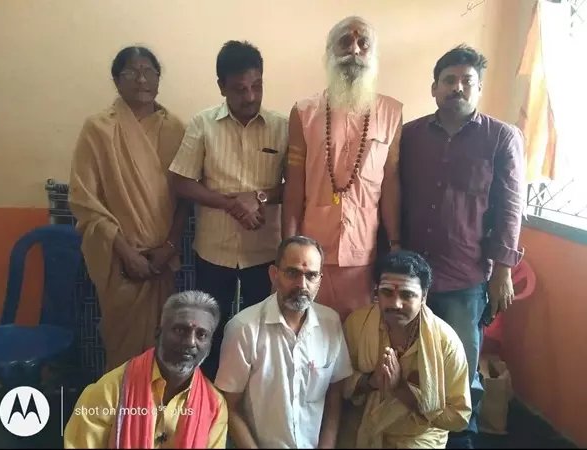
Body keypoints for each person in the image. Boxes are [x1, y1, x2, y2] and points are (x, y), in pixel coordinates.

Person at [399, 44, 525, 448]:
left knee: (461, 371)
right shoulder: (410, 135)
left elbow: (510, 206)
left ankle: (460, 442)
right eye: (449, 80)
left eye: (467, 81)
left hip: (465, 277)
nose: (457, 88)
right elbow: (395, 195)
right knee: (411, 363)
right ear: (434, 88)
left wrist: (503, 270)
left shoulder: (501, 137)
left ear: (479, 89)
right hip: (411, 276)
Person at [169, 40, 288, 380]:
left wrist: (259, 197)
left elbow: (295, 184)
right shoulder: (202, 125)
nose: (250, 96)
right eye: (239, 89)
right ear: (221, 86)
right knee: (206, 331)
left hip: (265, 253)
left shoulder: (282, 126)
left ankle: (251, 403)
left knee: (260, 334)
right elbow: (180, 181)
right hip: (212, 252)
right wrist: (231, 203)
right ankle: (208, 402)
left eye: (257, 86)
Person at [68, 46, 188, 372]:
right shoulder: (98, 129)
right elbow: (84, 201)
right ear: (116, 81)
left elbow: (185, 197)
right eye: (131, 72)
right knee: (123, 354)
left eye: (149, 71)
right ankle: (121, 415)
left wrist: (169, 247)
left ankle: (153, 416)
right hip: (119, 261)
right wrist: (125, 253)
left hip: (162, 262)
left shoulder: (177, 129)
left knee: (163, 345)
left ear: (159, 79)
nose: (141, 79)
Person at [282, 16, 403, 322]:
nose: (354, 50)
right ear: (329, 52)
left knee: (356, 338)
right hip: (311, 254)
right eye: (345, 42)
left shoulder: (391, 112)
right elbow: (294, 185)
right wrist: (287, 249)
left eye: (363, 43)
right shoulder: (303, 112)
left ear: (373, 55)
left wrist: (397, 243)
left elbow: (390, 184)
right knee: (309, 333)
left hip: (364, 252)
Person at [214, 236, 353, 448]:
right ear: (274, 275)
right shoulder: (244, 327)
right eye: (292, 273)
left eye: (311, 276)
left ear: (320, 279)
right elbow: (229, 407)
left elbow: (335, 396)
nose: (301, 284)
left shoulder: (330, 323)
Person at [339, 251, 471, 448]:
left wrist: (401, 389)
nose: (396, 304)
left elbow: (459, 417)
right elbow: (338, 384)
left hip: (416, 435)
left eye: (407, 295)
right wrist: (372, 381)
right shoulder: (357, 324)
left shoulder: (446, 342)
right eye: (387, 292)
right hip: (362, 422)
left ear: (424, 296)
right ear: (377, 292)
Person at [64, 291, 228, 448]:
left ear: (210, 345)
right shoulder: (110, 391)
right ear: (158, 333)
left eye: (201, 335)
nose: (190, 342)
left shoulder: (214, 405)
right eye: (180, 330)